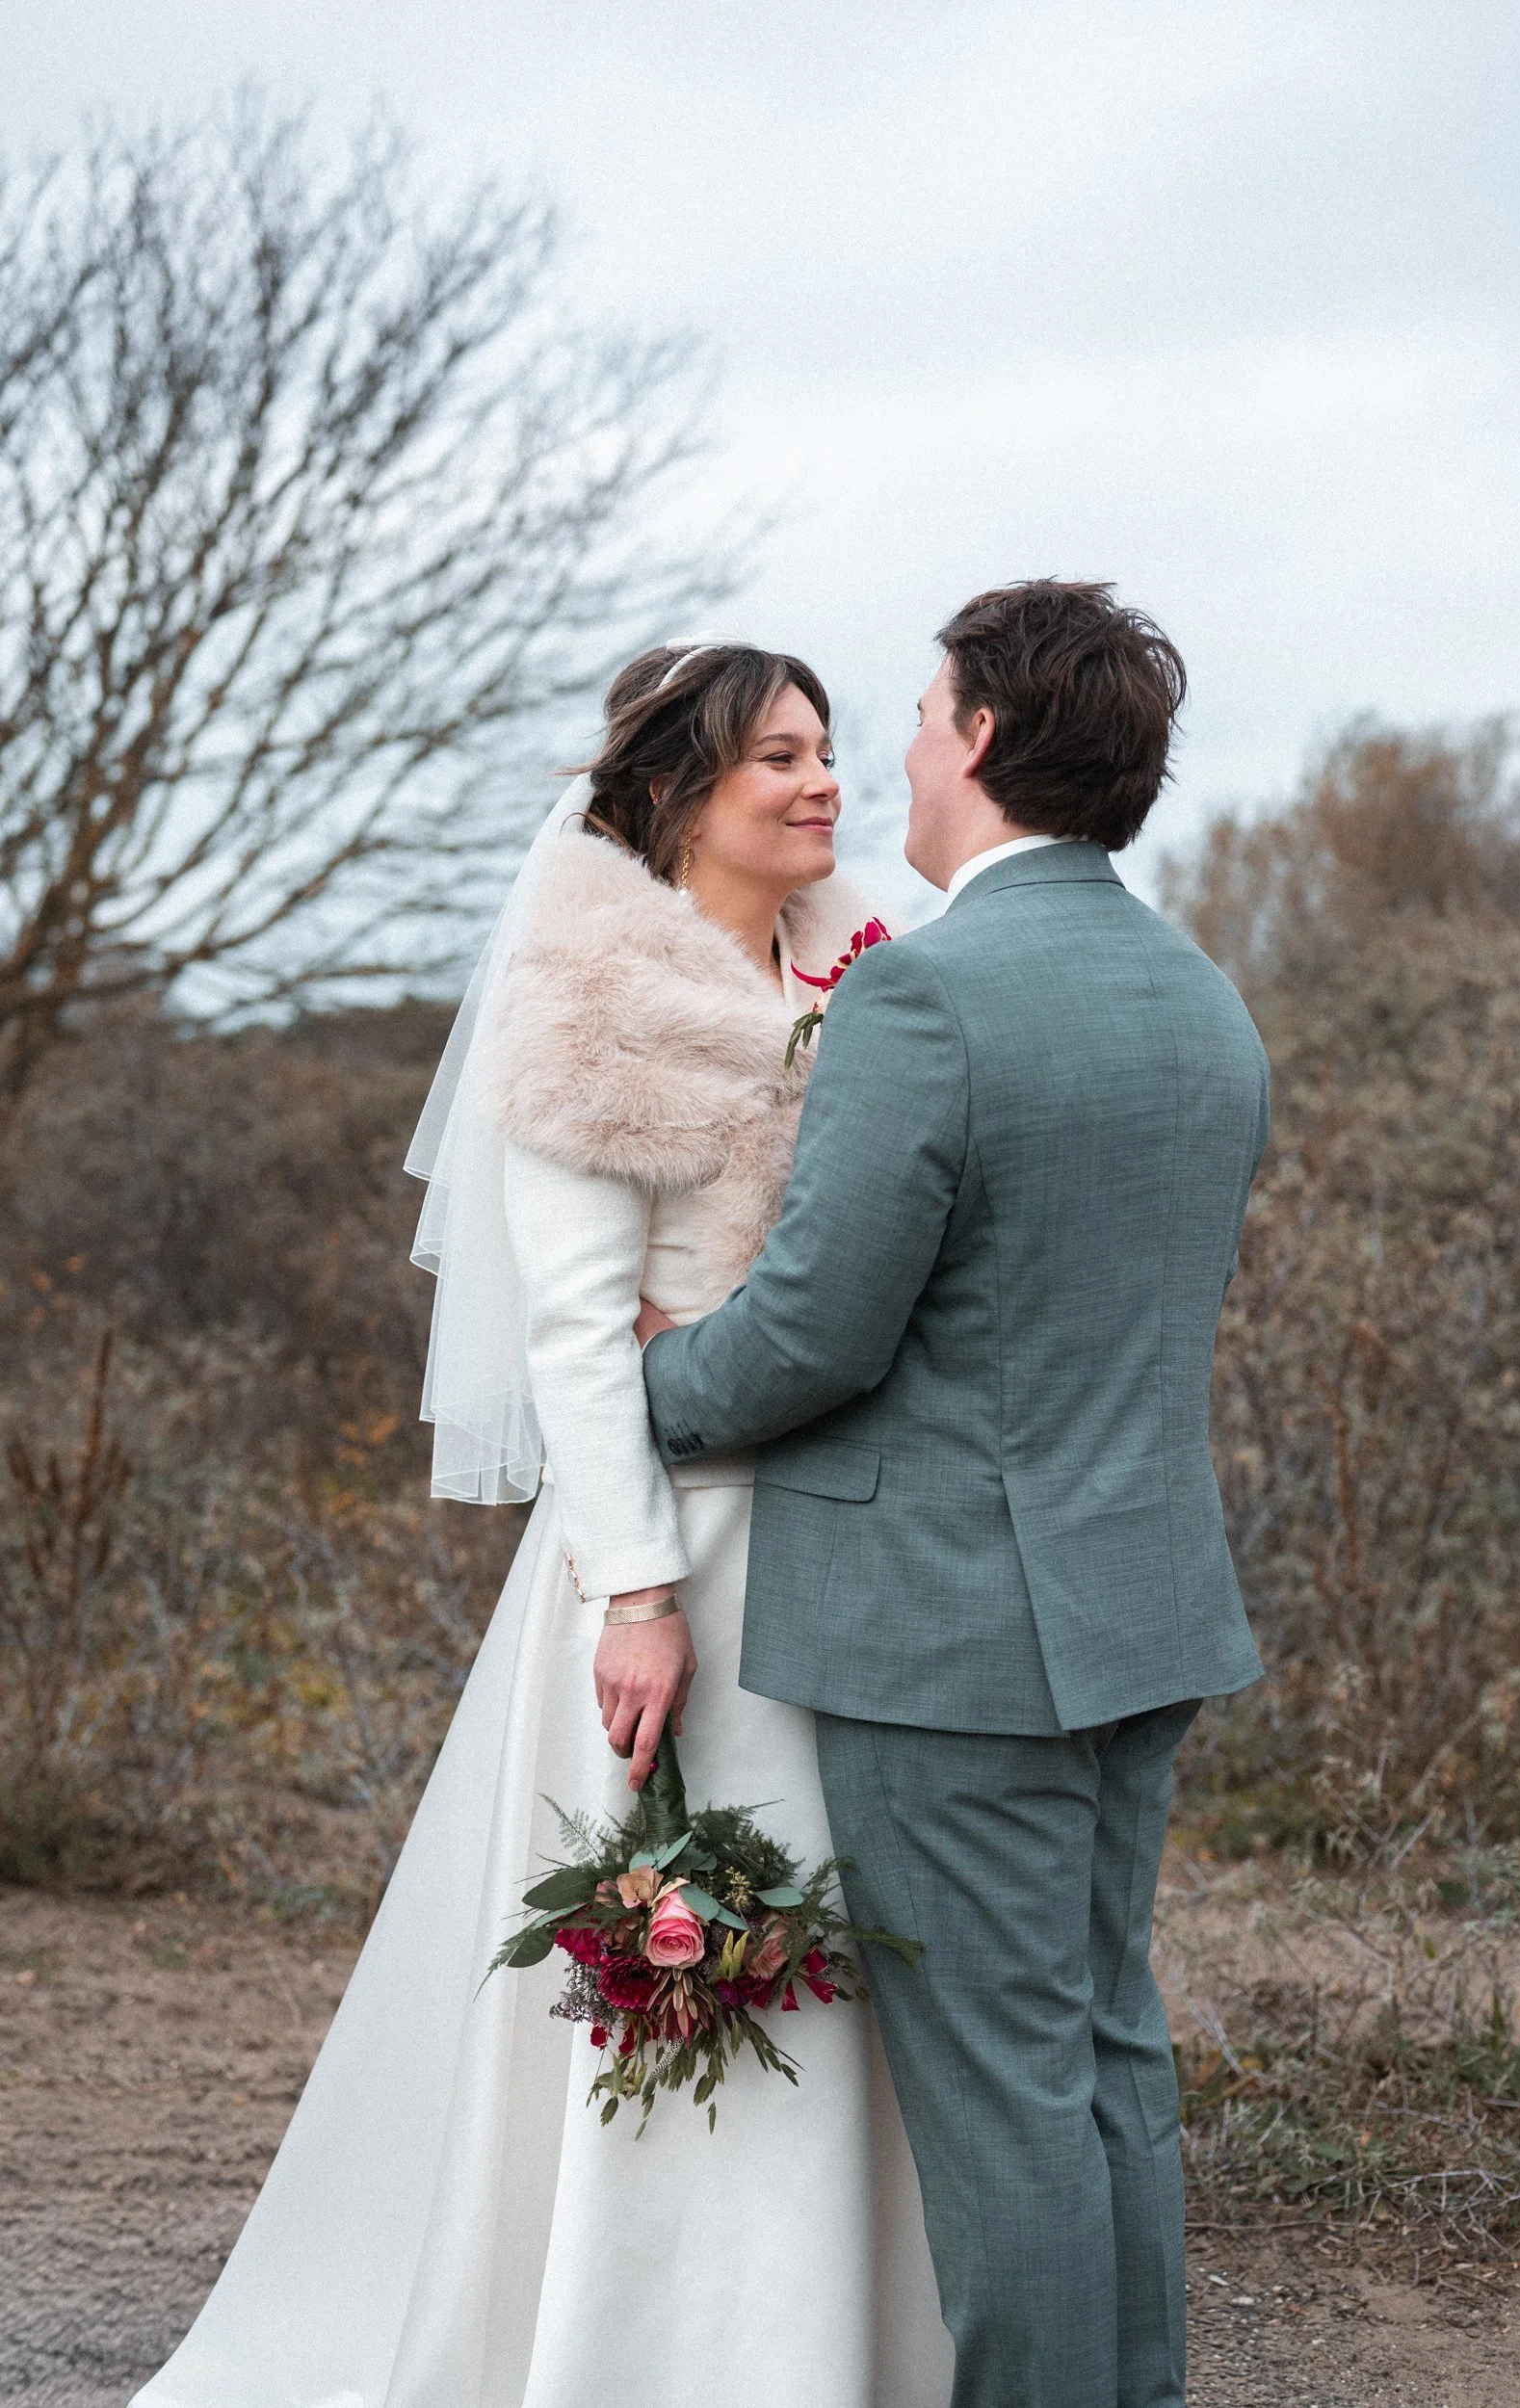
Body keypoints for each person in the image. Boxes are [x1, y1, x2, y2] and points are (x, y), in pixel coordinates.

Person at [130, 644, 952, 2408]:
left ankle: (840, 2345)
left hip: (863, 1539)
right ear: (676, 792)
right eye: (779, 761)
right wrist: (637, 1590)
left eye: (826, 752)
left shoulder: (872, 965)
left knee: (847, 1951)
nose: (822, 786)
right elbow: (582, 1333)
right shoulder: (588, 999)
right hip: (688, 1554)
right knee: (706, 1938)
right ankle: (645, 2351)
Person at [636, 582, 1271, 2408]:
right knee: (1102, 2057)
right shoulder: (1200, 998)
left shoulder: (924, 994)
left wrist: (636, 1380)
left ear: (981, 740)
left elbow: (810, 1341)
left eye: (915, 714)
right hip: (1139, 1612)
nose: (894, 751)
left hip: (952, 1642)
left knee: (1001, 2109)